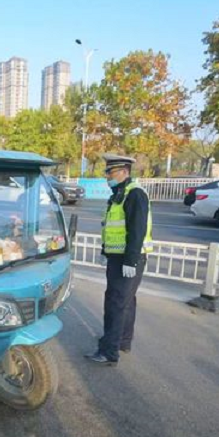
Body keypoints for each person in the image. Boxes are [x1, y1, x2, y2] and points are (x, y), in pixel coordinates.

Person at [85, 154, 153, 366]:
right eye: (107, 173)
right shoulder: (119, 194)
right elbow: (112, 228)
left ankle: (108, 352)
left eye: (111, 173)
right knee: (126, 301)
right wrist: (106, 252)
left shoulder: (135, 194)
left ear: (124, 172)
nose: (107, 177)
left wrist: (130, 261)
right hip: (118, 257)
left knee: (116, 303)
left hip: (128, 258)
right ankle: (122, 341)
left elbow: (137, 231)